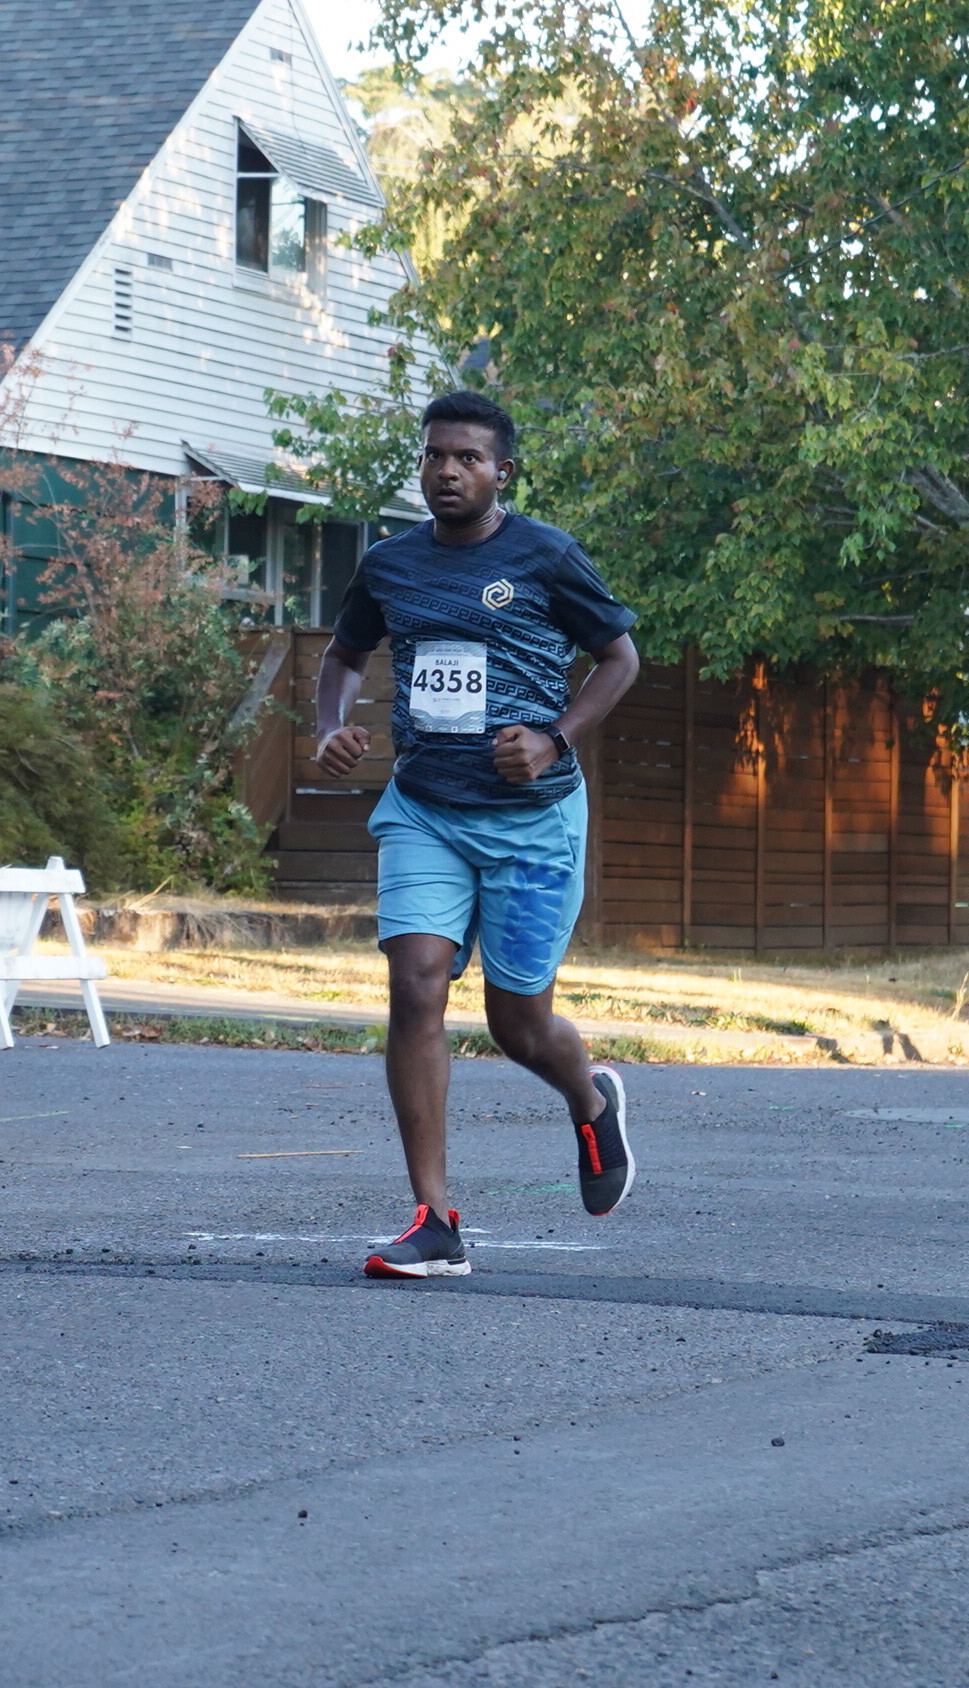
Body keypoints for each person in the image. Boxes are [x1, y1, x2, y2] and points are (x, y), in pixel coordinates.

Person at [311, 392, 645, 1277]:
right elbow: (343, 655)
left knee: (517, 1023)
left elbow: (619, 658)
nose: (447, 471)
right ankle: (434, 1220)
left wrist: (554, 739)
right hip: (425, 808)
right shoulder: (390, 565)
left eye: (467, 458)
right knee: (416, 986)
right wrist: (330, 725)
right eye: (434, 455)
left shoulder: (545, 555)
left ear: (504, 472)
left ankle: (591, 1099)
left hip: (532, 822)